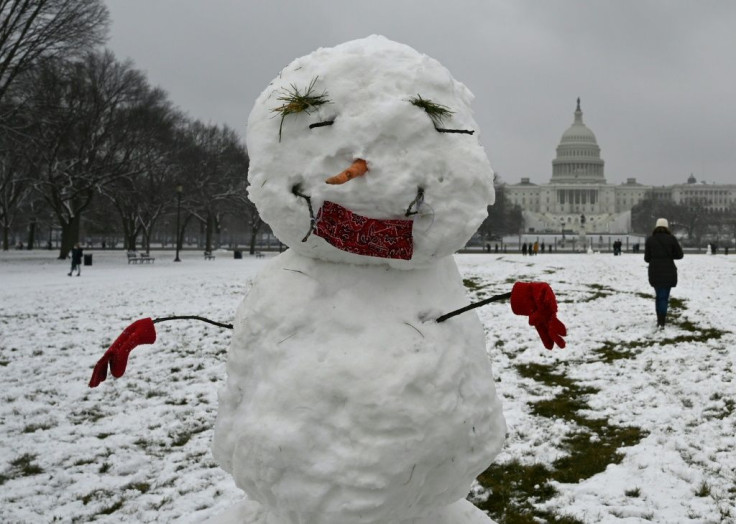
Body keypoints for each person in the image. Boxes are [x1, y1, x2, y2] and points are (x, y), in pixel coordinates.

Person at [644, 218, 683, 329]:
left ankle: (659, 319)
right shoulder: (671, 239)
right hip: (669, 271)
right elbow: (680, 255)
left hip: (655, 271)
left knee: (658, 296)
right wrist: (669, 256)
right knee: (664, 297)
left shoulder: (650, 240)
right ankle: (662, 320)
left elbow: (647, 259)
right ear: (667, 227)